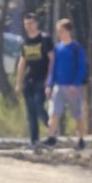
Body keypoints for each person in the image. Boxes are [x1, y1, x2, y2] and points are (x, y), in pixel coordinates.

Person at [47, 17, 88, 148]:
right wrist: (49, 85)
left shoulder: (76, 48)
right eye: (58, 31)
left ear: (68, 31)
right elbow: (53, 68)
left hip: (73, 88)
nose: (59, 34)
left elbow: (82, 68)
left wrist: (75, 84)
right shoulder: (57, 48)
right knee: (54, 112)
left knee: (77, 115)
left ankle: (81, 139)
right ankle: (51, 138)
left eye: (61, 31)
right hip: (58, 86)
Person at [16, 12, 54, 146]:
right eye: (26, 24)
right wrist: (19, 82)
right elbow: (22, 62)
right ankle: (34, 140)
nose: (29, 26)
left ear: (37, 23)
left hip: (41, 79)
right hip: (29, 80)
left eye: (31, 23)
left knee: (39, 106)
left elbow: (52, 60)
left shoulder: (45, 39)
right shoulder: (24, 41)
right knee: (30, 111)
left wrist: (49, 79)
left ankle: (52, 129)